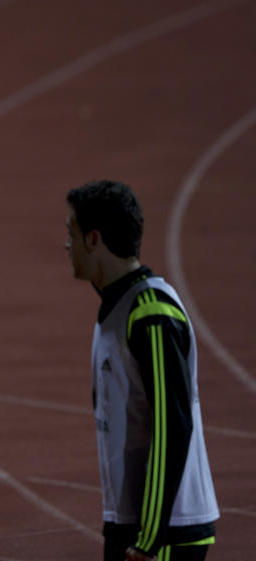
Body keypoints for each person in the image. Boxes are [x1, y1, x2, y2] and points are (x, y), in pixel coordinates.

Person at [64, 181, 219, 561]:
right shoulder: (116, 312)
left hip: (166, 530)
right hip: (133, 522)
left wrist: (150, 536)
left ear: (93, 239)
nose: (66, 245)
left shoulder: (150, 313)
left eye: (71, 233)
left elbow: (172, 425)